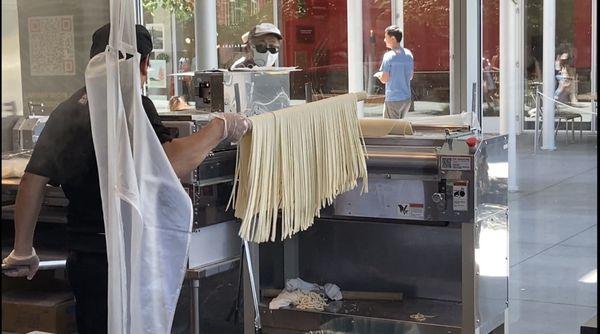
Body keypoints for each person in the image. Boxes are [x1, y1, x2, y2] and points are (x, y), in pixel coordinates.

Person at [1, 23, 251, 334]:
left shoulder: (67, 110)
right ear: (143, 63)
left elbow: (32, 181)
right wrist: (219, 128)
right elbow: (170, 162)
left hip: (84, 261)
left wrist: (23, 248)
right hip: (127, 257)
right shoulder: (132, 107)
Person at [374, 25, 414, 119]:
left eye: (386, 37)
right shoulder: (408, 54)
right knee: (399, 128)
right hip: (406, 99)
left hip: (393, 99)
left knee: (390, 129)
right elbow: (410, 76)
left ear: (392, 38)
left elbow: (384, 79)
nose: (384, 40)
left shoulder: (388, 56)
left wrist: (379, 75)